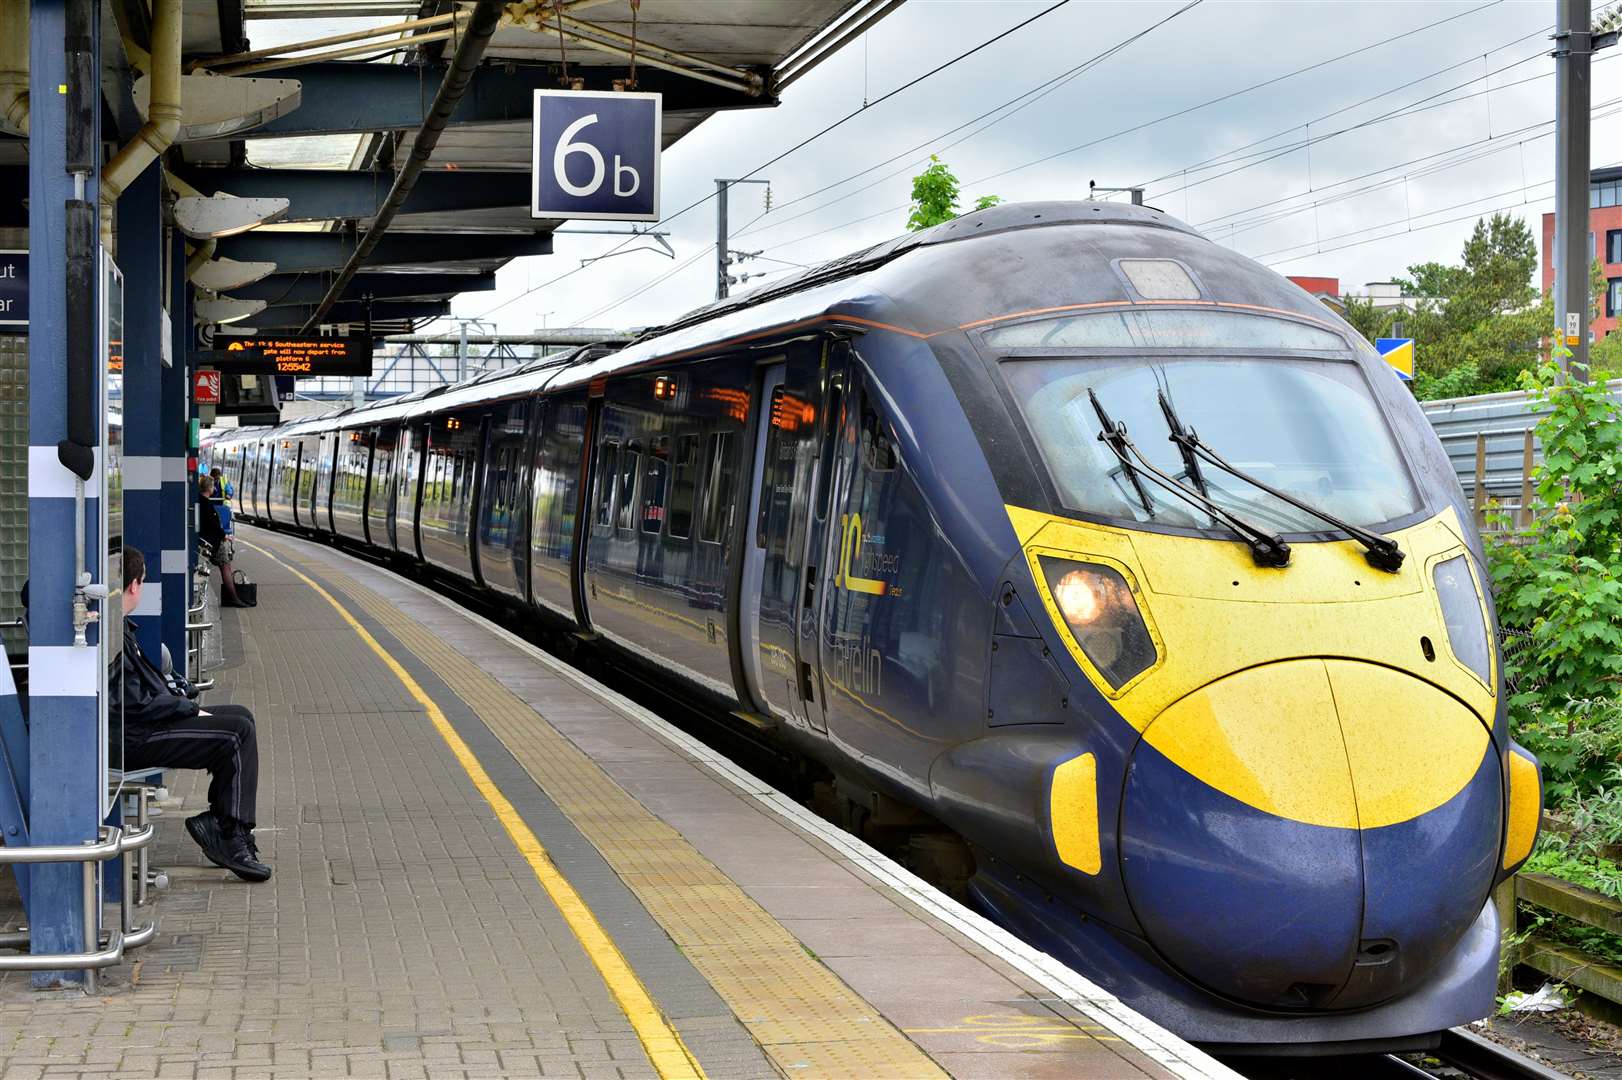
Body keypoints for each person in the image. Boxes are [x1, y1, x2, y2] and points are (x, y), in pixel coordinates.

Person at [112, 547, 271, 882]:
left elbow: (140, 691)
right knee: (234, 734)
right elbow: (134, 703)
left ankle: (222, 821)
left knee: (241, 717)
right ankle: (230, 835)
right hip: (135, 737)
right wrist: (186, 707)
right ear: (135, 586)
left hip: (140, 726)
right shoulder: (112, 634)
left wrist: (179, 695)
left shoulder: (117, 626)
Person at [199, 475, 246, 607]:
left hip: (204, 540)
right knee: (225, 566)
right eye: (213, 486)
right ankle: (233, 598)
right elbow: (213, 525)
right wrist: (224, 536)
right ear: (209, 488)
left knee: (224, 566)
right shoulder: (206, 504)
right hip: (211, 542)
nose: (214, 488)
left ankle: (232, 597)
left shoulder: (199, 501)